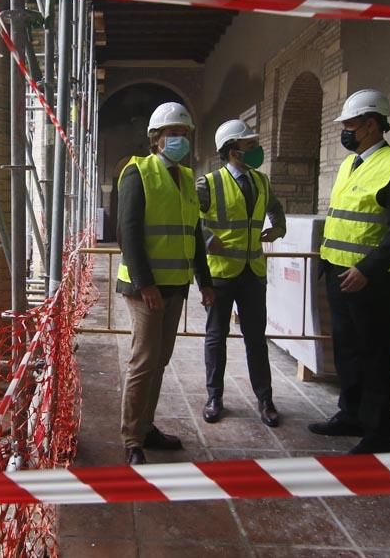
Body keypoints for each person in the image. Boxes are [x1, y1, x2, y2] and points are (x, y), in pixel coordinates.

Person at [310, 88, 390, 454]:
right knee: (347, 351)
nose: (345, 131)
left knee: (375, 354)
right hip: (340, 274)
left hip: (371, 281)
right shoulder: (349, 164)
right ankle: (351, 414)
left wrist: (368, 269)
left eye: (350, 125)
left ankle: (378, 431)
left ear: (372, 125)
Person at [116, 102, 214, 466]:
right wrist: (146, 285)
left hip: (176, 285)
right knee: (143, 360)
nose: (179, 139)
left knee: (160, 360)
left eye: (184, 134)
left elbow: (194, 232)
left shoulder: (187, 178)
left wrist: (205, 281)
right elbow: (128, 232)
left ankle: (146, 427)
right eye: (173, 133)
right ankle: (131, 438)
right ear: (156, 139)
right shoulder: (137, 173)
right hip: (146, 289)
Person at [198, 119, 286, 426]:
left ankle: (265, 400)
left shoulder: (261, 181)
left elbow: (275, 207)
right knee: (215, 338)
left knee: (255, 339)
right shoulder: (208, 183)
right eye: (250, 146)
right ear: (232, 151)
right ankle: (214, 398)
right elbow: (190, 216)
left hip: (253, 273)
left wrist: (279, 227)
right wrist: (208, 239)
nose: (256, 150)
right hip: (221, 274)